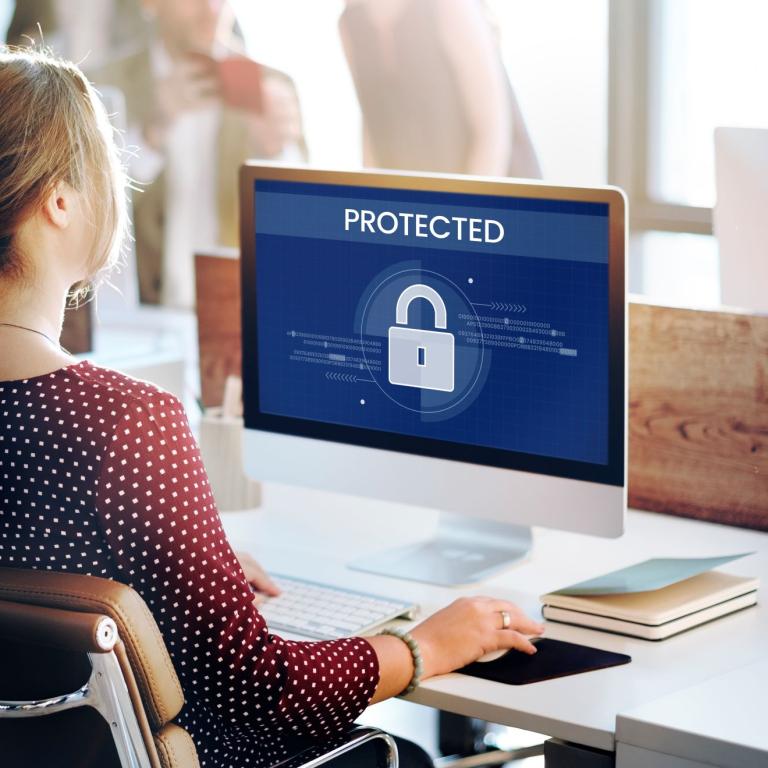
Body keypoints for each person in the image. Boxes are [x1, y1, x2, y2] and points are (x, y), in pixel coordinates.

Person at [0, 48, 544, 768]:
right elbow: (261, 691)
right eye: (107, 168)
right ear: (60, 201)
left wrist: (191, 568)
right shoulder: (125, 425)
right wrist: (425, 647)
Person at [91, 0, 307, 308]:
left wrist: (273, 152)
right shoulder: (103, 84)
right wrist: (152, 132)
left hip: (237, 308)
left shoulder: (272, 85)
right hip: (137, 313)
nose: (211, 9)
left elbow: (299, 227)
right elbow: (89, 214)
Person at [339, 0, 541, 178]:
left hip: (494, 189)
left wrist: (463, 210)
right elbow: (374, 125)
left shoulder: (449, 5)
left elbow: (493, 131)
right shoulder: (350, 24)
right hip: (424, 199)